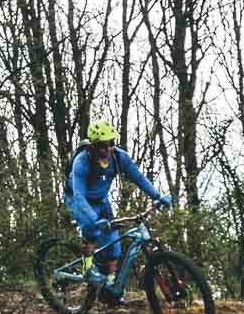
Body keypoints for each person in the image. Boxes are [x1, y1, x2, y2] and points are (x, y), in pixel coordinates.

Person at [66, 121, 172, 296]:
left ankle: (110, 285)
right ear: (93, 146)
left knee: (113, 244)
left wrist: (157, 196)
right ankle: (87, 269)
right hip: (79, 200)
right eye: (102, 145)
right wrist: (95, 219)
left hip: (101, 199)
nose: (108, 149)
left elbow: (138, 178)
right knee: (91, 230)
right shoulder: (82, 162)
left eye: (111, 143)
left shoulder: (119, 157)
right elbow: (78, 196)